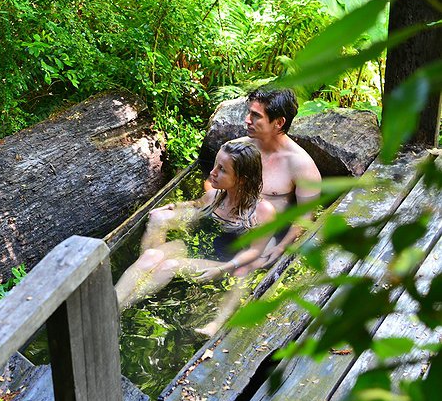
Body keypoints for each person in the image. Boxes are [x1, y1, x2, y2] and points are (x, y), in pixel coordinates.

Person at [115, 140, 276, 309]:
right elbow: (197, 204)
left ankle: (119, 309)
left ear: (241, 179)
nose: (213, 173)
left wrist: (223, 270)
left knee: (170, 266)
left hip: (222, 262)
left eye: (222, 169)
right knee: (151, 256)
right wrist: (173, 207)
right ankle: (111, 304)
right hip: (194, 247)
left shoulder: (263, 211)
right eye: (215, 165)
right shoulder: (215, 195)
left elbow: (255, 251)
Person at [235, 88, 322, 268]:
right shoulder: (239, 148)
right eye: (248, 112)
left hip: (264, 235)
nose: (247, 120)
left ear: (279, 122)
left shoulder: (301, 166)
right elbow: (212, 182)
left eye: (256, 115)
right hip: (229, 220)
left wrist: (281, 248)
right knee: (160, 217)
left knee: (244, 269)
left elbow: (306, 217)